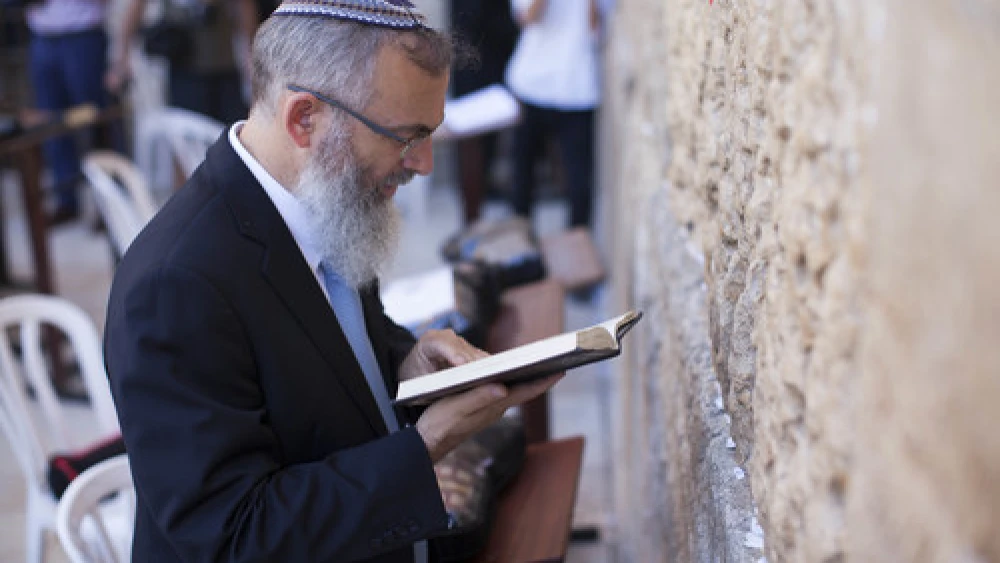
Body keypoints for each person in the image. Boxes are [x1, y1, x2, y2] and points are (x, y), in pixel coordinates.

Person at [103, 1, 561, 561]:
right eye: (406, 136)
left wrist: (406, 362)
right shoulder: (174, 286)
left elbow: (329, 347)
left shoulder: (322, 200)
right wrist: (427, 444)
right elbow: (235, 536)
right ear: (305, 119)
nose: (423, 165)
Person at [504, 0, 609, 228]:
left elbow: (597, 29)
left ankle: (577, 253)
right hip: (531, 84)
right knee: (522, 179)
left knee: (578, 184)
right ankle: (521, 253)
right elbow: (527, 18)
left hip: (576, 88)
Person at [23, 0, 114, 224]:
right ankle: (66, 201)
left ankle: (108, 203)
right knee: (51, 125)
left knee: (94, 120)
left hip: (82, 35)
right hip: (42, 36)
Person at [110, 0, 258, 124]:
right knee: (186, 136)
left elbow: (244, 6)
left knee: (232, 133)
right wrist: (122, 59)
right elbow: (135, 9)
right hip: (184, 69)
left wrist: (250, 54)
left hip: (223, 66)